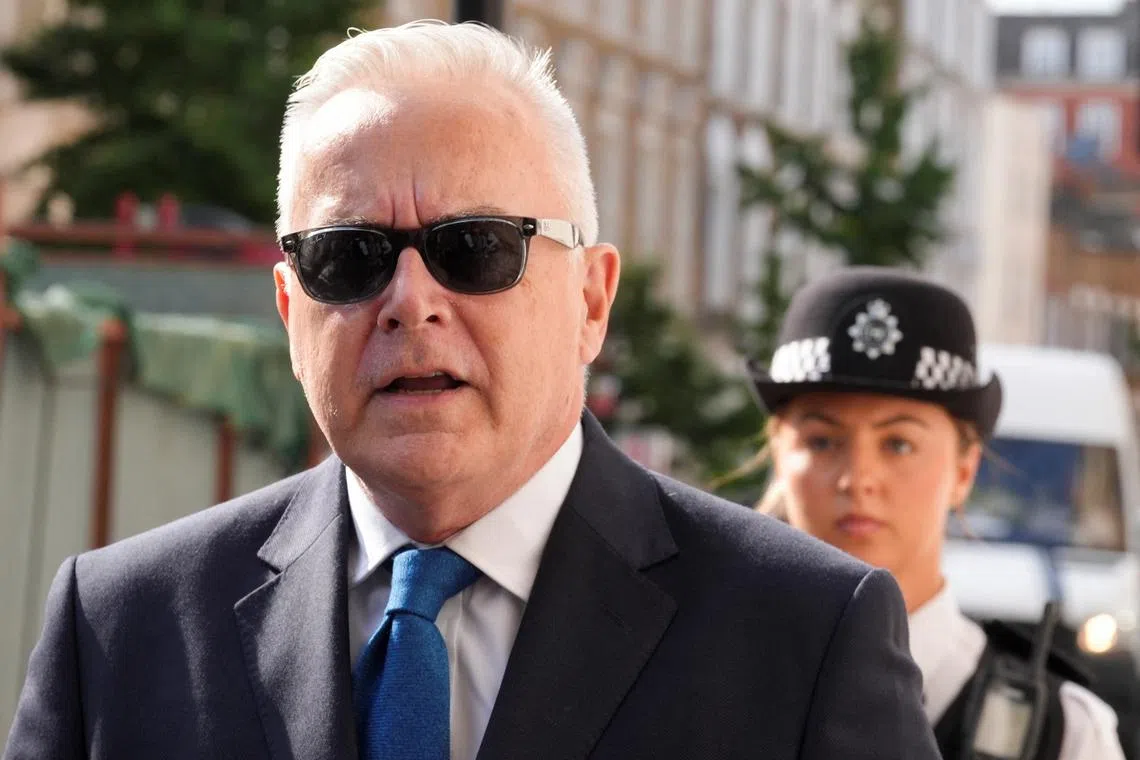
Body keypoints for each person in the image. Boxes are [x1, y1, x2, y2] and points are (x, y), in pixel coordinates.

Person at [4, 22, 939, 760]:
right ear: (290, 312)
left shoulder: (805, 636)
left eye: (476, 248)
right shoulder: (125, 628)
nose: (412, 302)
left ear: (592, 298)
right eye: (348, 259)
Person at [747, 266, 1126, 760]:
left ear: (965, 470)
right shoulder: (700, 675)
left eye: (899, 444)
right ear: (779, 455)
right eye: (822, 440)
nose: (858, 477)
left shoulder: (1063, 735)